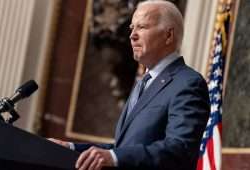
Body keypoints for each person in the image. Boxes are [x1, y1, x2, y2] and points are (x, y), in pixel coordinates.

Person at [49, 1, 210, 170]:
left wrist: (113, 157)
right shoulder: (145, 82)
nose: (132, 35)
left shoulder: (187, 83)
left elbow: (179, 150)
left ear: (168, 35)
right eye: (132, 28)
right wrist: (71, 148)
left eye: (142, 27)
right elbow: (123, 149)